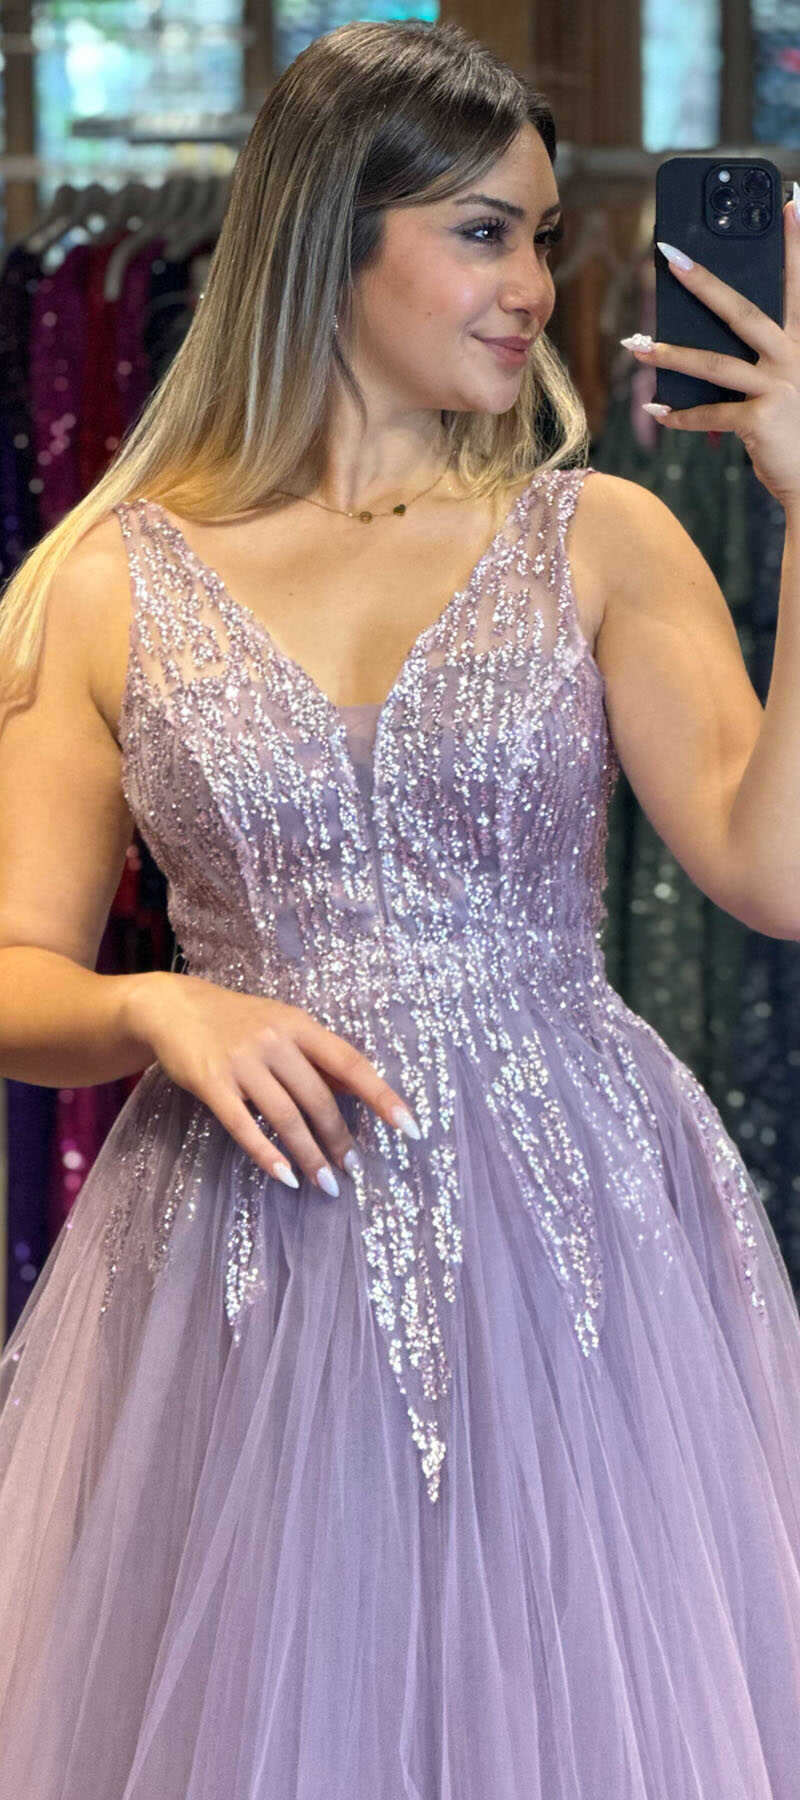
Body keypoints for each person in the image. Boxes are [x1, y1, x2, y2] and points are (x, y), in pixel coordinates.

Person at [1, 18, 800, 1797]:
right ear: (329, 241)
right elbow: (10, 974)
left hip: (572, 1235)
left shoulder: (603, 538)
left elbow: (776, 872)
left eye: (542, 237)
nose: (536, 286)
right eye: (484, 233)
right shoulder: (106, 583)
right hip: (244, 1246)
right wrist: (154, 1004)